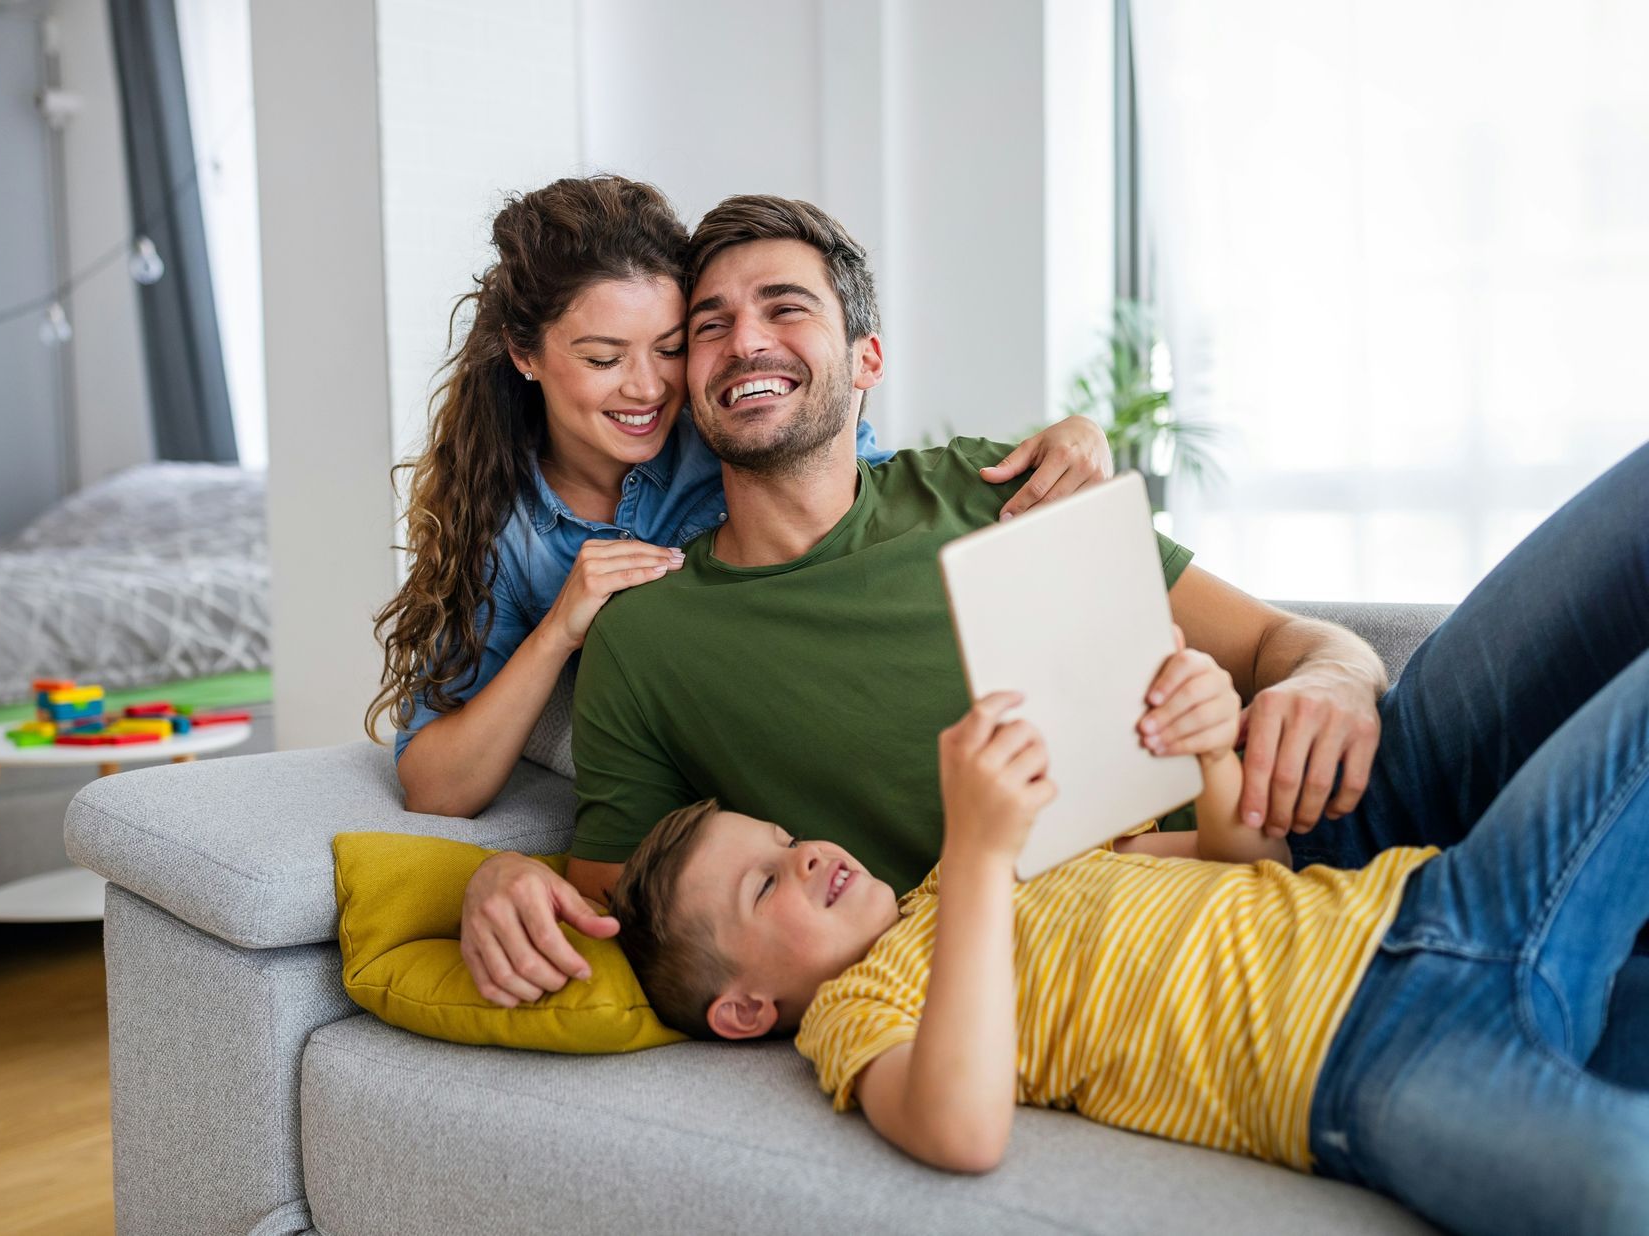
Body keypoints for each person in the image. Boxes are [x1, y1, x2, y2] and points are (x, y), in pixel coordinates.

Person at [458, 193, 1412, 1007]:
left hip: (1318, 810)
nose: (745, 339)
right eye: (709, 326)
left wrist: (1332, 681)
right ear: (690, 380)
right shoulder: (647, 632)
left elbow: (1289, 642)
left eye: (785, 308)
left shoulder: (991, 486)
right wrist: (491, 877)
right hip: (1142, 940)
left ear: (866, 360)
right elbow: (634, 907)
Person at [605, 638, 1649, 1236]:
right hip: (1374, 1067)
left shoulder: (1021, 858)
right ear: (743, 1009)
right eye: (763, 883)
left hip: (1441, 902)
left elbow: (1254, 865)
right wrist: (970, 854)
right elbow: (962, 1132)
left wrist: (1209, 755)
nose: (807, 856)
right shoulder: (855, 1014)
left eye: (783, 839)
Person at [368, 175, 1115, 819]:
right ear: (525, 355)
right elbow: (434, 785)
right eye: (603, 358)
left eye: (669, 348)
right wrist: (561, 626)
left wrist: (1077, 436)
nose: (647, 387)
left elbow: (873, 492)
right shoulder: (507, 526)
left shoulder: (727, 428)